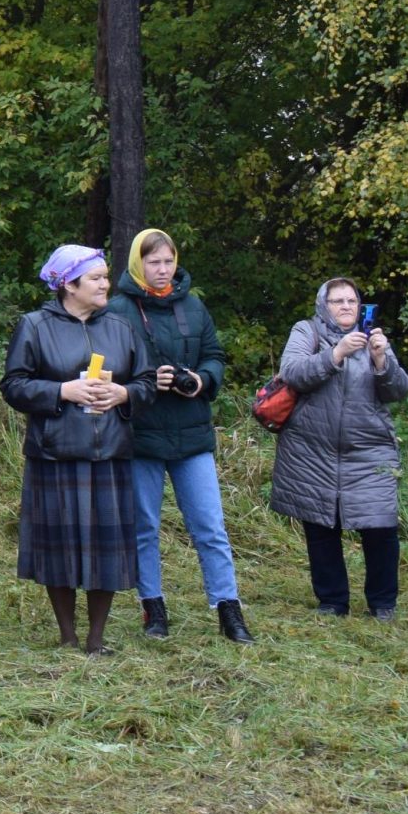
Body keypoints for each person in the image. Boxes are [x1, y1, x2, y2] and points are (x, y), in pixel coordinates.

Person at [0, 245, 156, 654]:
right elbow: (13, 385)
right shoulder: (34, 326)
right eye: (97, 278)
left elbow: (147, 382)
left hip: (110, 455)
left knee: (107, 552)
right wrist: (60, 391)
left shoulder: (121, 327)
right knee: (60, 549)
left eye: (106, 276)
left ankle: (96, 638)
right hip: (55, 453)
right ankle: (67, 634)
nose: (107, 284)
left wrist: (124, 393)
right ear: (69, 285)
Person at [104, 229, 253, 643]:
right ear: (138, 264)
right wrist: (151, 380)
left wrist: (201, 380)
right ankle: (153, 609)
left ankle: (229, 610)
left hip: (192, 434)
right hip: (141, 434)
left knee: (210, 525)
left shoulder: (193, 306)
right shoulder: (118, 310)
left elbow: (215, 356)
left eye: (168, 260)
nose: (162, 268)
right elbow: (108, 366)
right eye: (154, 262)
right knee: (144, 528)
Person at [270, 278, 408, 620]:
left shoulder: (372, 337)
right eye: (337, 301)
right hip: (311, 448)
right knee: (321, 527)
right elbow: (291, 373)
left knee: (380, 527)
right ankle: (333, 602)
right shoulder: (307, 331)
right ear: (324, 305)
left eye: (352, 300)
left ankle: (383, 604)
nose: (346, 306)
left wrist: (381, 361)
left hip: (369, 450)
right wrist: (336, 354)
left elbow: (400, 390)